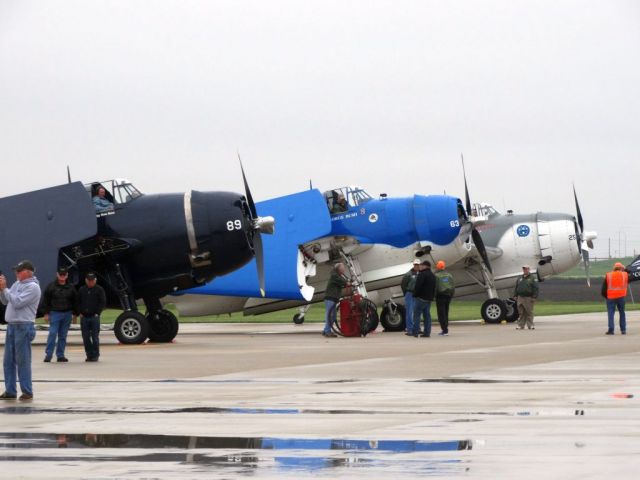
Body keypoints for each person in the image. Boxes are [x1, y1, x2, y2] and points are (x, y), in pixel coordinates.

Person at [0, 260, 41, 401]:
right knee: (8, 361)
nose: (16, 273)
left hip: (23, 326)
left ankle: (27, 391)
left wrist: (5, 288)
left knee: (23, 360)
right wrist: (2, 290)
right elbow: (6, 301)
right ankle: (10, 391)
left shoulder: (33, 287)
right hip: (12, 326)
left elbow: (17, 302)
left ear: (27, 272)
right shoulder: (17, 284)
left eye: (19, 270)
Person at [42, 267, 78, 362]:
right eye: (60, 274)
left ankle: (60, 355)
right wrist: (46, 313)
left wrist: (75, 313)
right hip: (55, 313)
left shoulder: (71, 287)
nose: (62, 276)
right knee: (52, 334)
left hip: (67, 314)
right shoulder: (51, 287)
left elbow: (75, 301)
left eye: (64, 275)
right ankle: (48, 355)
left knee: (63, 335)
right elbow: (45, 301)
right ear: (57, 275)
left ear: (66, 275)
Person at [77, 272, 106, 361]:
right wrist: (80, 312)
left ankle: (95, 354)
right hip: (84, 317)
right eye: (89, 281)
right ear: (86, 281)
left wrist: (97, 313)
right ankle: (89, 354)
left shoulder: (99, 289)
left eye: (92, 280)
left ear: (95, 280)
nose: (90, 282)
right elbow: (78, 302)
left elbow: (102, 302)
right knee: (85, 337)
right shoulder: (82, 289)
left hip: (94, 317)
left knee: (95, 337)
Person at [322, 263, 350, 337]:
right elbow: (343, 282)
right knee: (330, 315)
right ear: (339, 269)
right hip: (330, 298)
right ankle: (327, 331)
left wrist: (347, 281)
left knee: (333, 316)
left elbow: (344, 281)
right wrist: (347, 282)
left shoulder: (338, 275)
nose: (344, 269)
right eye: (343, 268)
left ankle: (326, 330)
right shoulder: (335, 276)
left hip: (333, 298)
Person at [601, 262, 629, 335]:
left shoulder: (608, 275)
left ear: (614, 267)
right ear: (621, 268)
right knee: (622, 313)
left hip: (610, 297)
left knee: (610, 314)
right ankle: (623, 330)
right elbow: (630, 273)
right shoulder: (625, 274)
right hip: (621, 297)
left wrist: (606, 296)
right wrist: (625, 268)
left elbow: (603, 289)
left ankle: (611, 330)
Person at [412, 260, 436, 337]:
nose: (420, 266)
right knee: (427, 316)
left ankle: (415, 332)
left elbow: (418, 286)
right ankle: (427, 333)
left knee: (416, 315)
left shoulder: (422, 274)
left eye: (421, 265)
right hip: (429, 299)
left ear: (426, 266)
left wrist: (415, 295)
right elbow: (434, 288)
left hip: (421, 298)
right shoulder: (432, 275)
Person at [434, 260, 455, 336]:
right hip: (448, 296)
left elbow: (435, 287)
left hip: (440, 296)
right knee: (446, 312)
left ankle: (444, 330)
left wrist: (434, 296)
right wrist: (451, 295)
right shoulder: (449, 275)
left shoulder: (436, 276)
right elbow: (453, 286)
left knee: (441, 314)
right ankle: (445, 328)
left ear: (438, 267)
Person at [514, 264, 539, 330]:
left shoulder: (532, 278)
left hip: (528, 297)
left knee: (529, 312)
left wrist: (534, 297)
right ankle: (520, 325)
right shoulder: (520, 278)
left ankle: (530, 325)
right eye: (524, 269)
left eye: (526, 269)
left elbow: (536, 288)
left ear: (529, 269)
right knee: (521, 312)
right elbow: (517, 287)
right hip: (520, 297)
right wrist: (515, 295)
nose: (525, 270)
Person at [401, 259, 421, 335]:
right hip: (410, 294)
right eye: (415, 265)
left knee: (418, 312)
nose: (417, 266)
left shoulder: (420, 274)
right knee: (409, 312)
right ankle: (410, 329)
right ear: (414, 265)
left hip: (418, 294)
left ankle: (417, 328)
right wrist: (406, 293)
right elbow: (403, 285)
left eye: (418, 265)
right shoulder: (408, 274)